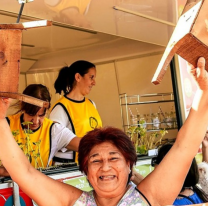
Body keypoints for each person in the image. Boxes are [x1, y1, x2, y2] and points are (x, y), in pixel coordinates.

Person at [0, 57, 207, 205]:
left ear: (129, 165)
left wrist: (205, 90)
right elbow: (24, 172)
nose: (105, 167)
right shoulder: (73, 202)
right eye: (95, 160)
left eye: (114, 158)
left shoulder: (150, 198)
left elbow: (184, 148)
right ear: (86, 172)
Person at [4, 84, 80, 169]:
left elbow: (83, 145)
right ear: (22, 106)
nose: (35, 121)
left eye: (41, 115)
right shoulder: (5, 125)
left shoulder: (53, 130)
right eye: (31, 115)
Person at [49, 60, 102, 164]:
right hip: (70, 166)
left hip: (91, 162)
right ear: (78, 77)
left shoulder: (91, 104)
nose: (94, 82)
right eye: (91, 77)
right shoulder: (61, 107)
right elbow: (54, 141)